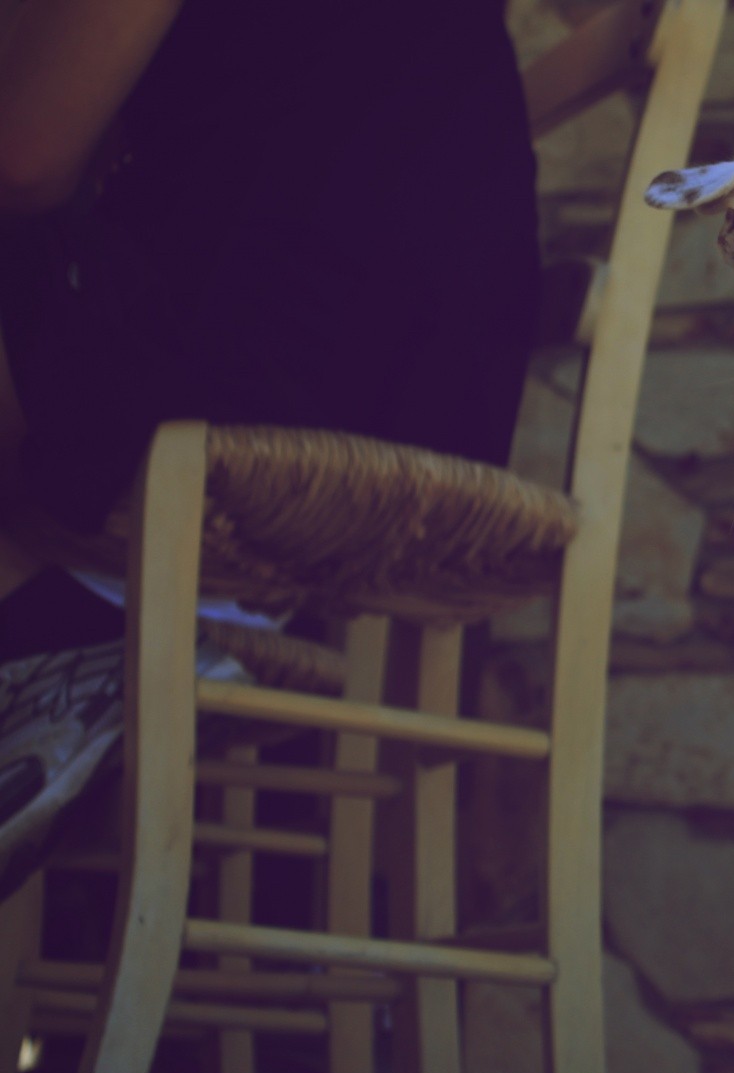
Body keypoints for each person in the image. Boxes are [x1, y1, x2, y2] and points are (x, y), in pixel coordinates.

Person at [0, 0, 541, 897]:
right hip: (404, 369)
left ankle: (61, 627)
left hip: (264, 363)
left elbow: (27, 150)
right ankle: (62, 627)